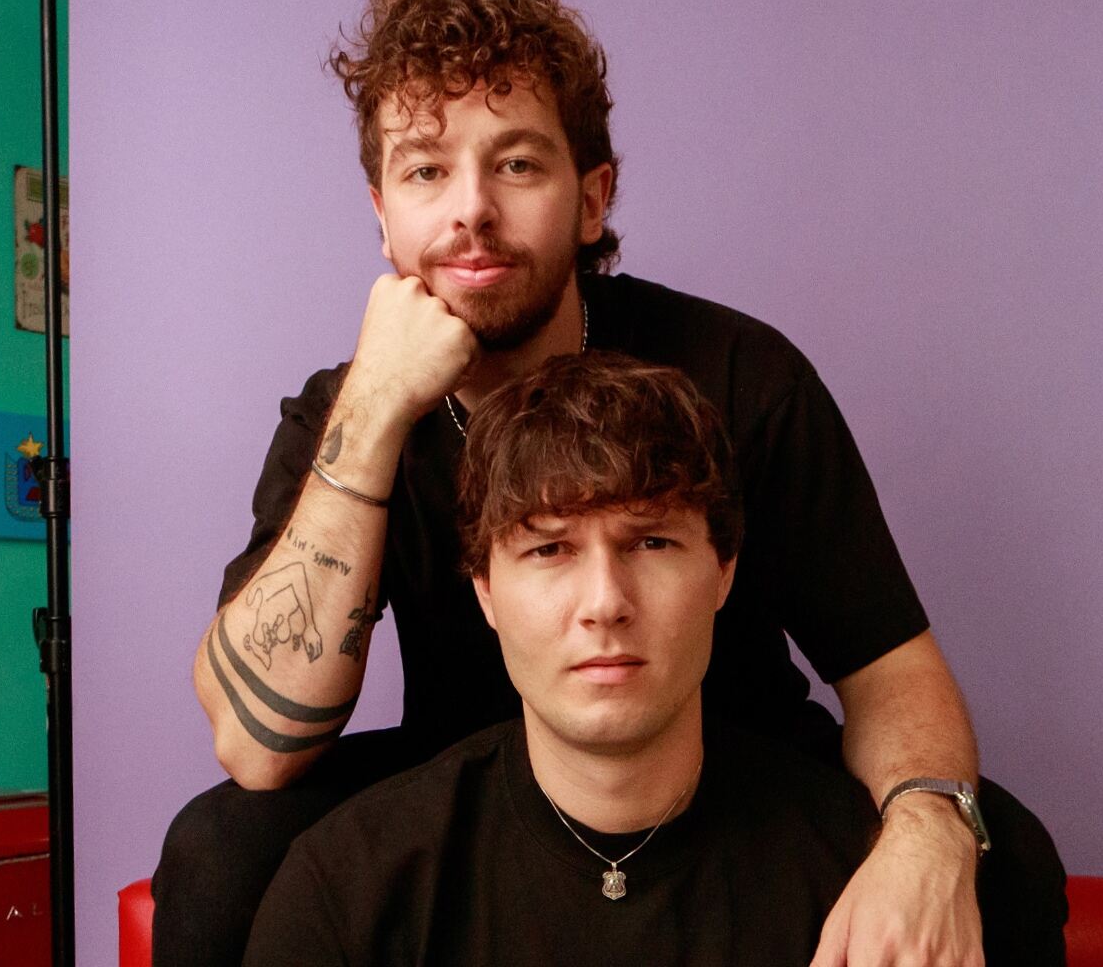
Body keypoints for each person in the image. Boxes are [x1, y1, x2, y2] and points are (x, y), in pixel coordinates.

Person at [156, 0, 1066, 967]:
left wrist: (930, 833)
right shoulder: (345, 411)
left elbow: (893, 672)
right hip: (466, 774)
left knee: (1005, 857)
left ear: (593, 199)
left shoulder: (740, 375)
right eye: (426, 171)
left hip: (728, 766)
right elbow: (255, 747)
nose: (470, 212)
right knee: (219, 852)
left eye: (517, 165)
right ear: (381, 213)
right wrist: (373, 414)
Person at [243, 352, 886, 965]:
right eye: (550, 550)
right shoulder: (351, 892)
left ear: (723, 571)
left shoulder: (871, 875)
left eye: (652, 541)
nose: (605, 603)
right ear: (486, 591)